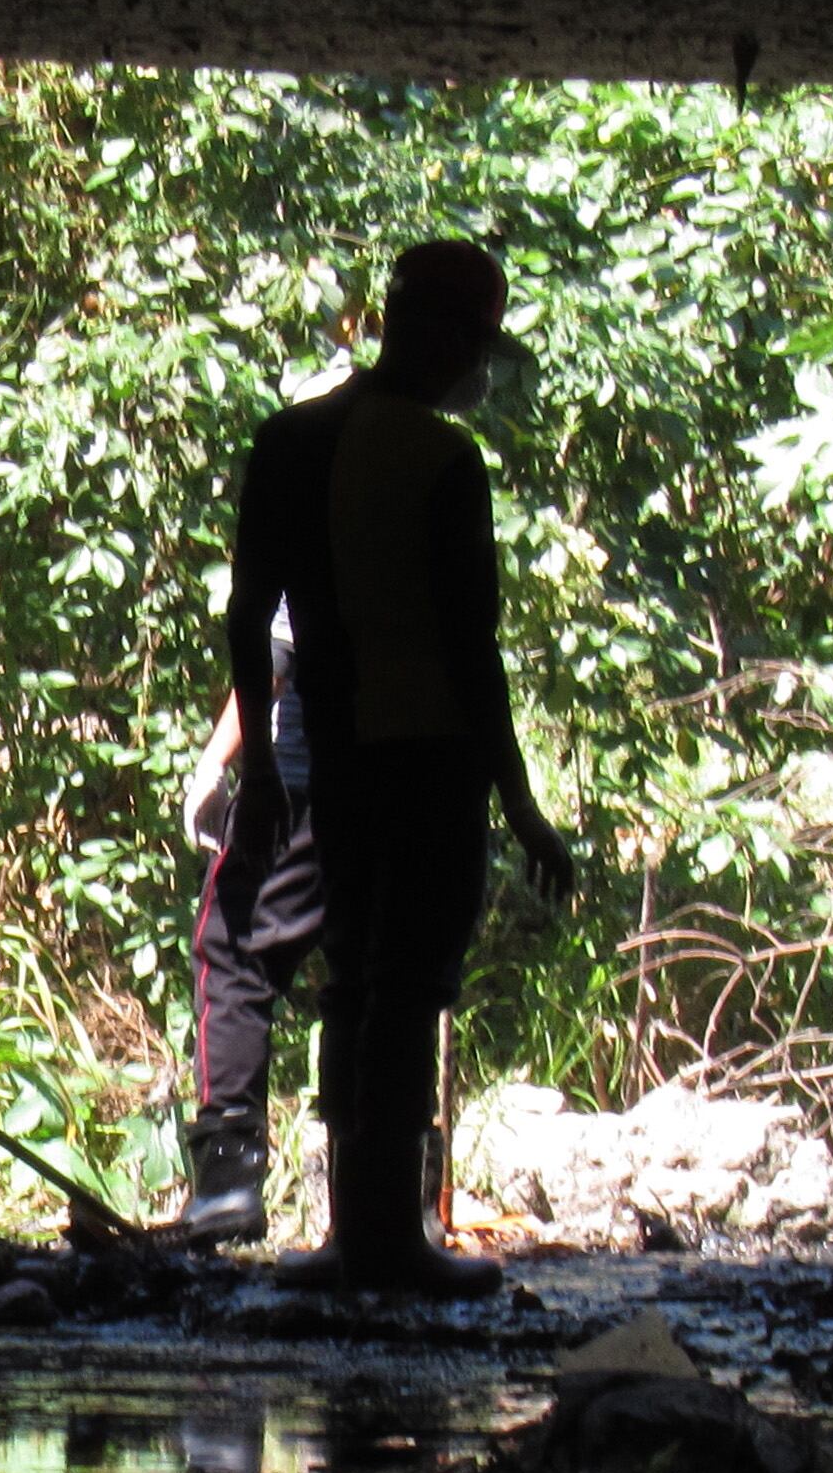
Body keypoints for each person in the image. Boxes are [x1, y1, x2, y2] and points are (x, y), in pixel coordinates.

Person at [221, 242, 577, 1298]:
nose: (477, 367)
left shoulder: (289, 440)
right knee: (409, 986)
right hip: (428, 759)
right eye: (475, 343)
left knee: (353, 981)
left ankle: (350, 1235)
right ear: (442, 334)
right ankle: (387, 1242)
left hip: (336, 753)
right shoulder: (439, 458)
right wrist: (519, 802)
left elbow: (248, 614)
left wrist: (263, 768)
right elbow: (472, 650)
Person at [171, 609, 322, 1246]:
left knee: (233, 952)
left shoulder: (312, 519)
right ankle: (395, 1207)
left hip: (303, 783)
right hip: (414, 788)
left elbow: (275, 660)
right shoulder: (435, 521)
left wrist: (215, 766)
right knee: (382, 988)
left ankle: (227, 1186)